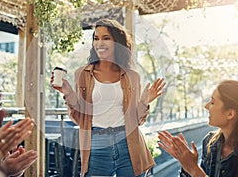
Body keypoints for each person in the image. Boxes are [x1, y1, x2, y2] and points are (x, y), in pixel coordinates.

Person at [52, 18, 166, 176]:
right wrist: (67, 93)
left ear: (117, 42)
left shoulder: (132, 77)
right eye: (96, 38)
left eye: (106, 38)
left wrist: (145, 100)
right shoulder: (82, 74)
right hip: (96, 144)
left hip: (128, 143)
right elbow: (80, 117)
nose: (99, 43)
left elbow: (135, 120)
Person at [158, 80, 238, 177]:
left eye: (213, 102)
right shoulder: (210, 142)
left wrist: (194, 169)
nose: (206, 106)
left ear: (230, 114)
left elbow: (198, 174)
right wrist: (186, 166)